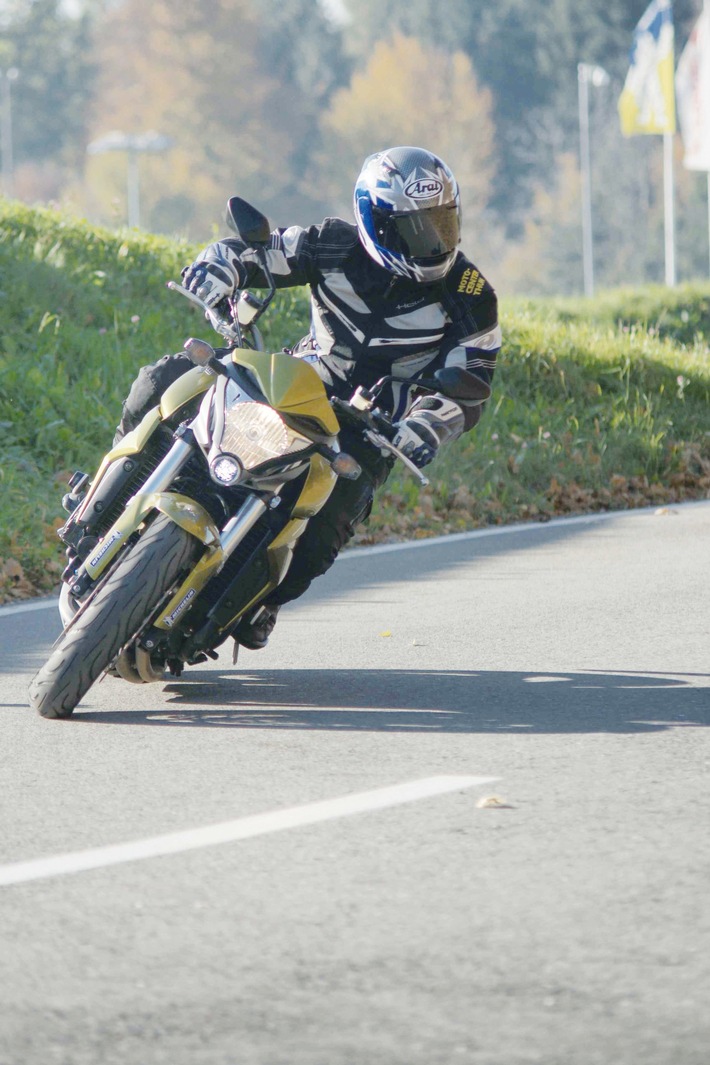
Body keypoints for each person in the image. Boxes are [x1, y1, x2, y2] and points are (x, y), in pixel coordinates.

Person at [115, 146, 501, 650]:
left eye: (441, 224)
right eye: (415, 229)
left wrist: (428, 424)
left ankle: (256, 603)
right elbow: (257, 251)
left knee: (326, 530)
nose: (433, 242)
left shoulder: (471, 295)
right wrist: (220, 267)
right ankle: (114, 490)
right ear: (375, 222)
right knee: (168, 377)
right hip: (295, 384)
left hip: (373, 427)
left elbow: (472, 378)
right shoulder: (332, 243)